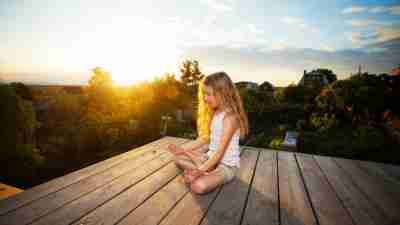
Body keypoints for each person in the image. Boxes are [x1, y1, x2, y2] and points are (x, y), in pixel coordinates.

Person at [167, 71, 249, 194]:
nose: (205, 98)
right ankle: (202, 167)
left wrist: (198, 172)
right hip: (210, 158)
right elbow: (205, 139)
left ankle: (202, 169)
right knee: (177, 159)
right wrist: (181, 149)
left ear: (223, 93)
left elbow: (220, 153)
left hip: (226, 166)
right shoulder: (216, 112)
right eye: (204, 94)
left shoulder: (230, 118)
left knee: (198, 186)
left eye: (209, 94)